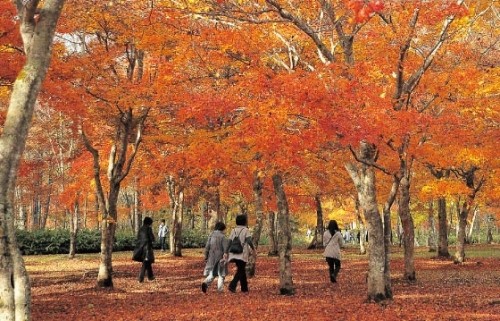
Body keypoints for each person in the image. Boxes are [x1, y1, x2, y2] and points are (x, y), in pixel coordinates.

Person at [227, 214, 255, 293]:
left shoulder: (233, 230)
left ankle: (244, 288)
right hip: (242, 254)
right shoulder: (246, 230)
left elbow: (229, 241)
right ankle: (232, 284)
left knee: (241, 269)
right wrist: (253, 249)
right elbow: (249, 241)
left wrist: (226, 251)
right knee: (241, 270)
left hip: (234, 253)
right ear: (245, 221)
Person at [201, 221, 228, 293]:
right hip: (220, 257)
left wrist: (206, 256)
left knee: (213, 272)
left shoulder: (211, 235)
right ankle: (220, 290)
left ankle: (205, 282)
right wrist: (225, 257)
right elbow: (225, 248)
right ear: (222, 228)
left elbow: (207, 247)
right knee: (221, 274)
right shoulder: (223, 237)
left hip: (211, 257)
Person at [134, 216, 155, 282]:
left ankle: (150, 276)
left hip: (140, 248)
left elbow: (138, 238)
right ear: (149, 223)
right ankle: (140, 278)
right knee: (145, 262)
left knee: (147, 262)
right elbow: (152, 238)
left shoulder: (140, 229)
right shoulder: (149, 229)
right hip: (147, 248)